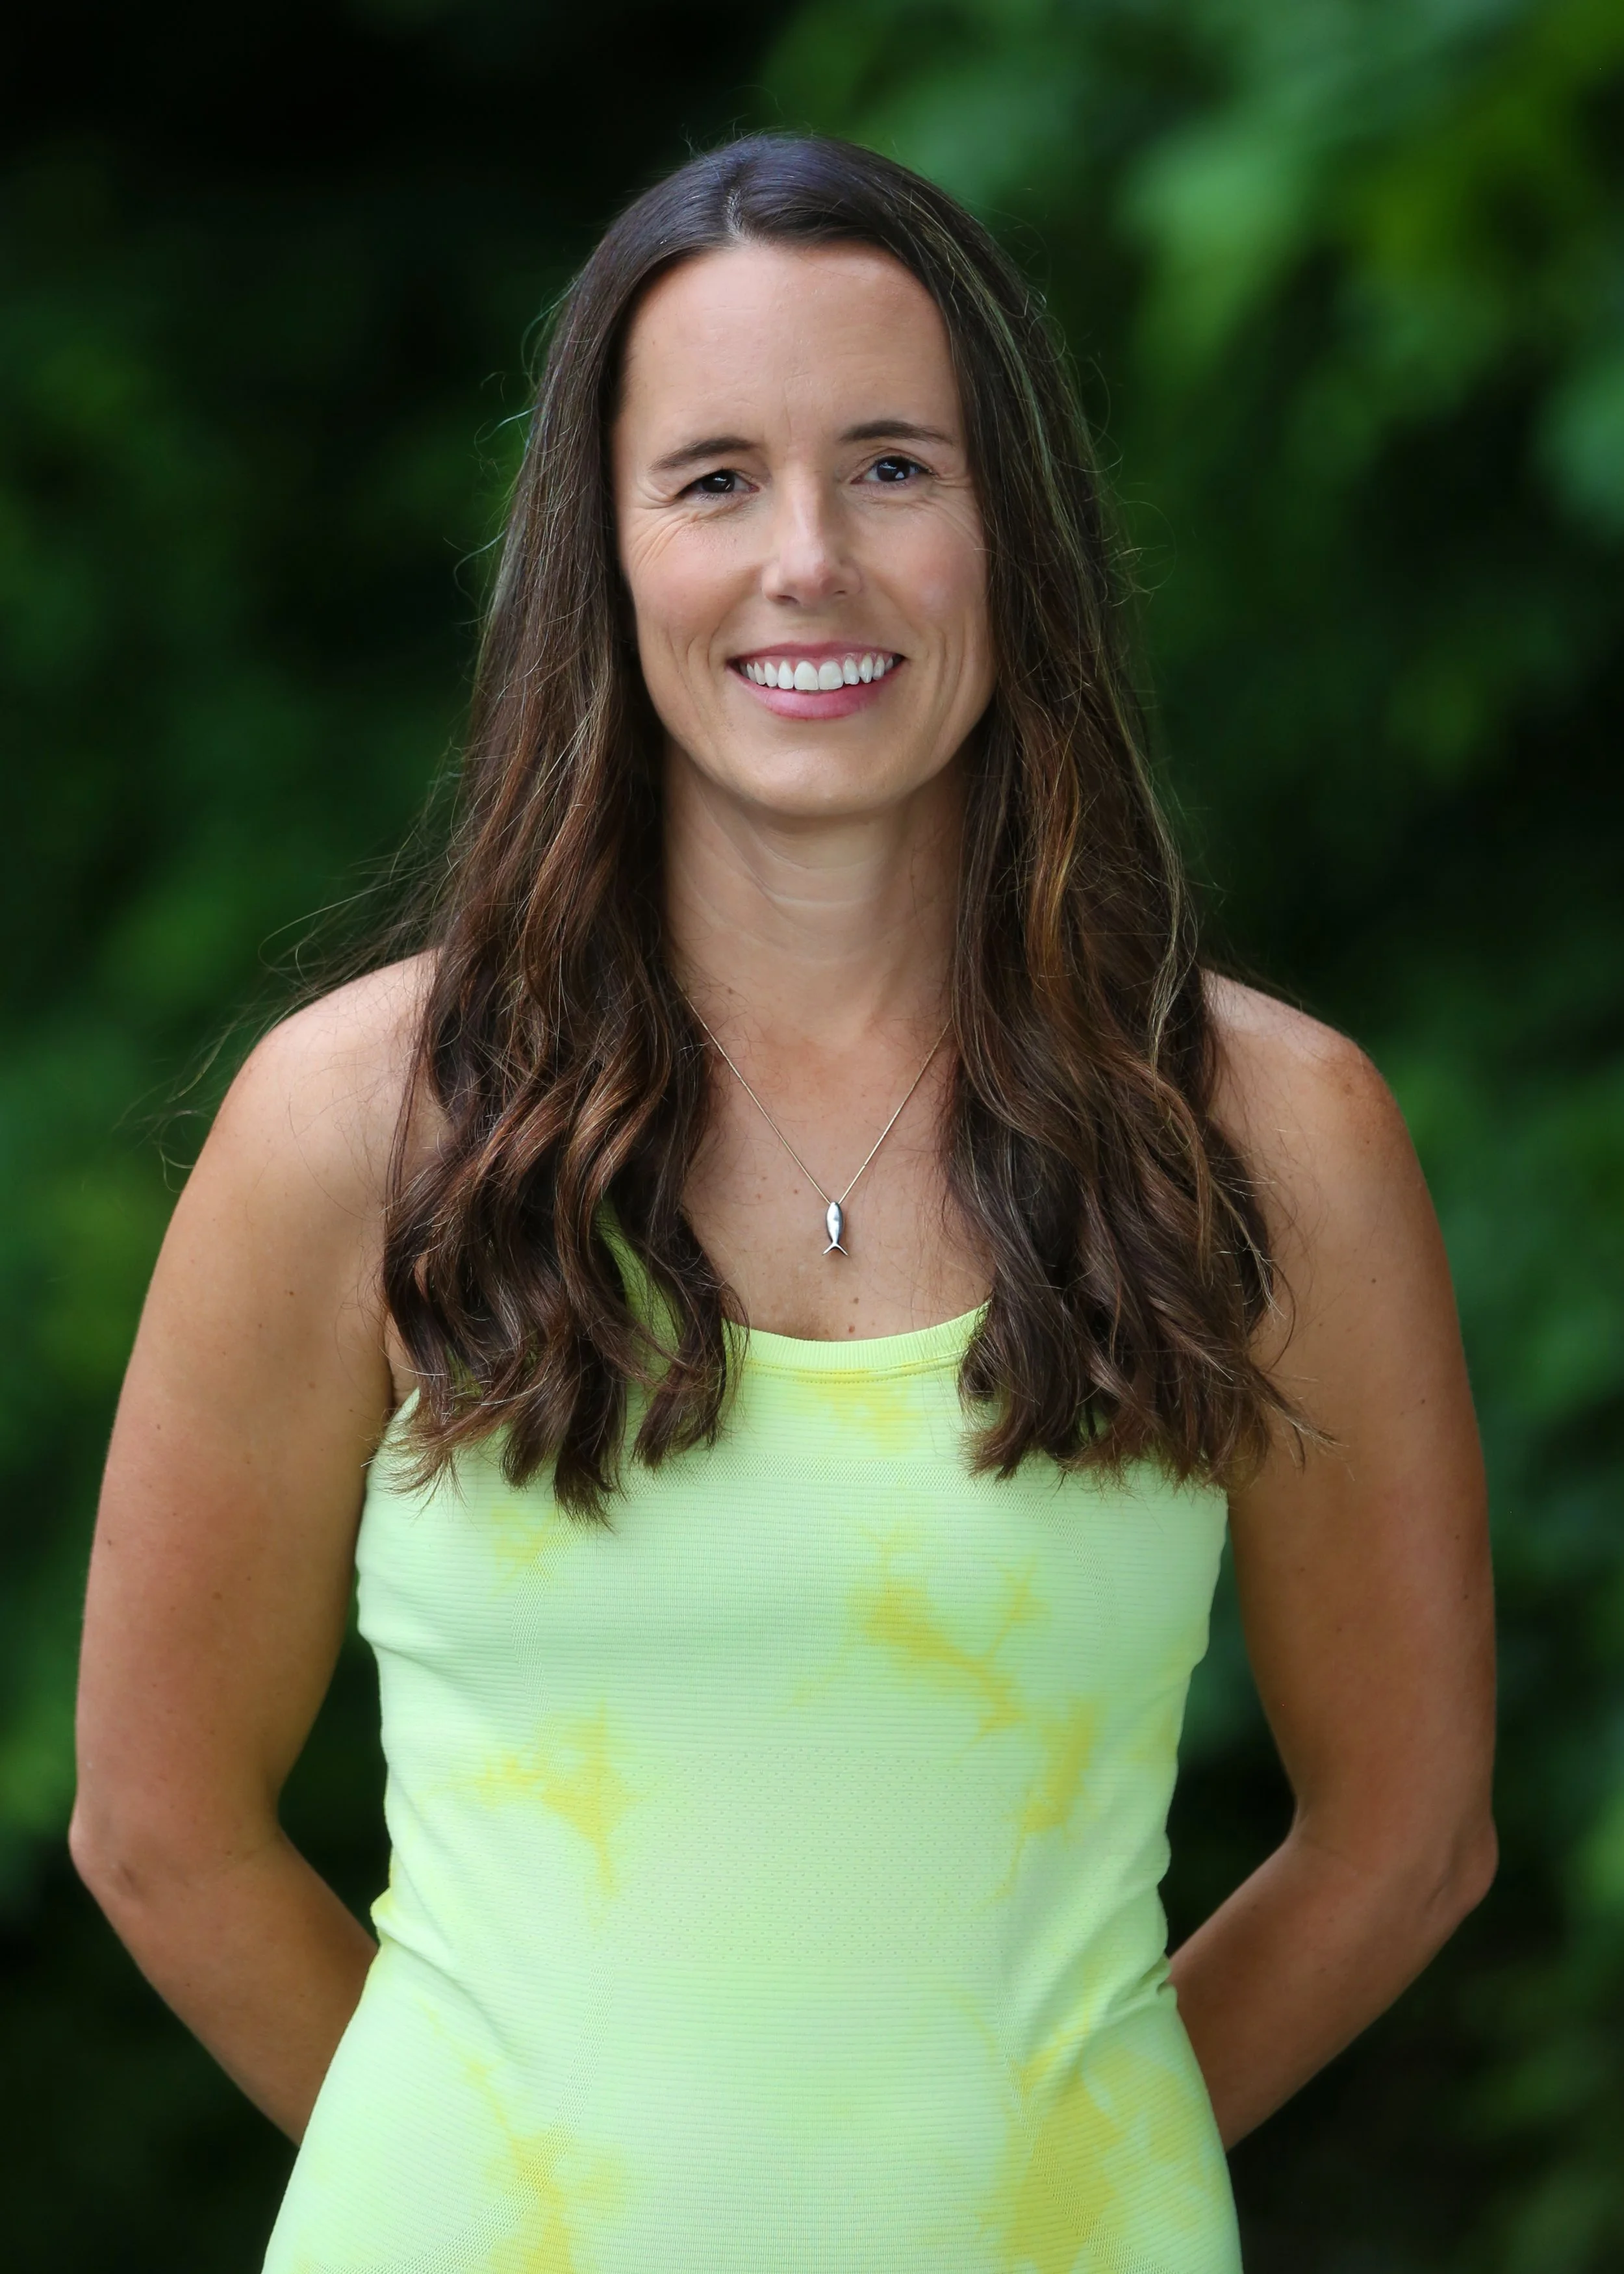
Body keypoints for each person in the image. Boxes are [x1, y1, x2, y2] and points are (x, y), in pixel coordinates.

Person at [70, 134, 1496, 2273]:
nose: (806, 558)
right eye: (715, 477)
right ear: (605, 551)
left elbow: (1406, 1840)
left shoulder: (1268, 1132)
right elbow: (159, 1830)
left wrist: (1045, 2172)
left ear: (1012, 535)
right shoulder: (358, 1127)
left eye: (895, 468)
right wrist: (529, 2188)